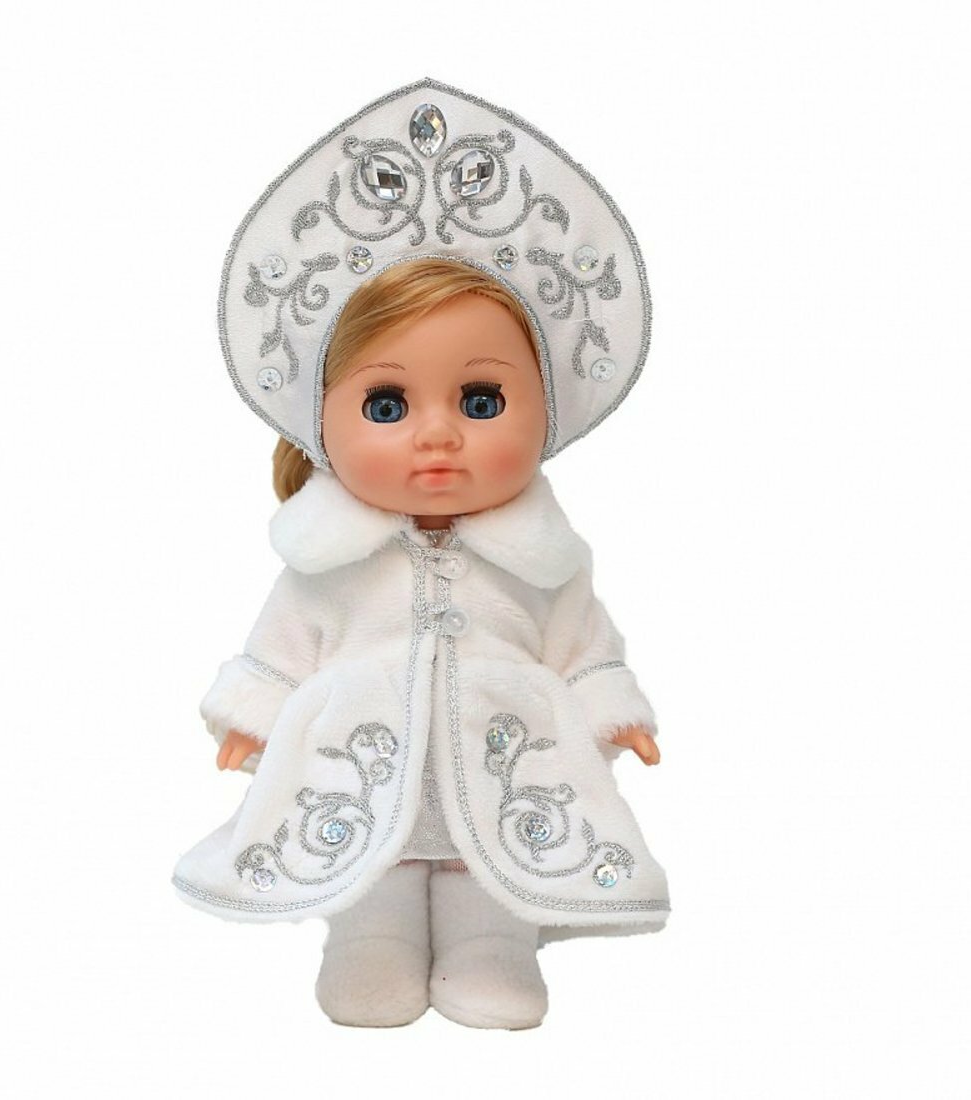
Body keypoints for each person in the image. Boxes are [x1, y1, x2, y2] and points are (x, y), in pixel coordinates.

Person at [172, 79, 670, 1030]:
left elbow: (582, 645)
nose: (436, 436)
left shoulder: (546, 561)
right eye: (387, 405)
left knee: (497, 867)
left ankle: (492, 945)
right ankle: (371, 940)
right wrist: (253, 717)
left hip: (507, 763)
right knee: (370, 865)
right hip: (359, 761)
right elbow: (282, 647)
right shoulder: (325, 561)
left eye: (481, 402)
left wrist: (611, 708)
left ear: (546, 410)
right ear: (321, 421)